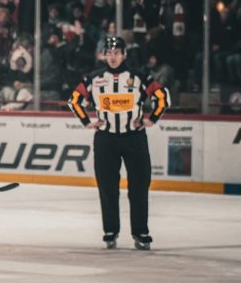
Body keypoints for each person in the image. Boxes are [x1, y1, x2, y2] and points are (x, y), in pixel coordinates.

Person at [67, 36, 171, 250]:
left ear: (124, 54)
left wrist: (152, 119)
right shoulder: (94, 78)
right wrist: (87, 122)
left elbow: (162, 97)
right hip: (105, 139)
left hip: (134, 138)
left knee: (139, 187)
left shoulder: (139, 76)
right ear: (104, 55)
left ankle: (140, 232)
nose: (112, 57)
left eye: (116, 53)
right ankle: (110, 231)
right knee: (107, 187)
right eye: (109, 53)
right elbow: (74, 100)